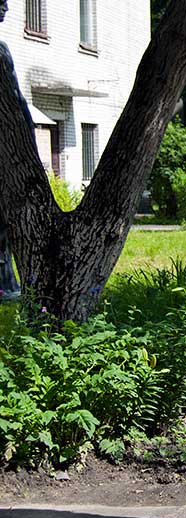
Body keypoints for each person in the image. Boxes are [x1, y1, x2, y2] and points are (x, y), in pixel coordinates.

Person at [0, 0, 33, 299]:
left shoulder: (3, 51)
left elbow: (16, 100)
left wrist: (29, 131)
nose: (6, 8)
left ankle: (7, 284)